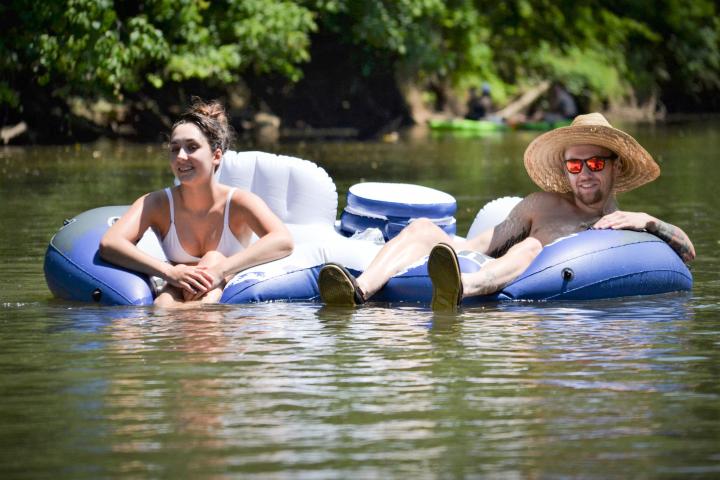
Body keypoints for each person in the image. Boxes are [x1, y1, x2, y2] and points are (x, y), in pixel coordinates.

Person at [318, 112, 695, 311]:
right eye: (574, 166)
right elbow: (483, 245)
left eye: (595, 164)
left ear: (614, 167)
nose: (583, 173)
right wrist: (452, 248)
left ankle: (460, 291)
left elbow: (687, 253)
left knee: (532, 247)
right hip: (487, 260)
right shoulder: (540, 204)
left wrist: (649, 222)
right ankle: (359, 291)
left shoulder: (626, 225)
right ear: (565, 170)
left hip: (533, 284)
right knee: (420, 227)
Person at [100, 99, 293, 307]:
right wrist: (171, 272)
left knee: (213, 257)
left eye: (192, 147)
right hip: (175, 285)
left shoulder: (239, 202)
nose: (181, 157)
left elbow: (283, 240)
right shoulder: (156, 203)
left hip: (222, 285)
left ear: (216, 156)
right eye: (175, 149)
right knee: (162, 304)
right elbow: (110, 243)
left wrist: (220, 270)